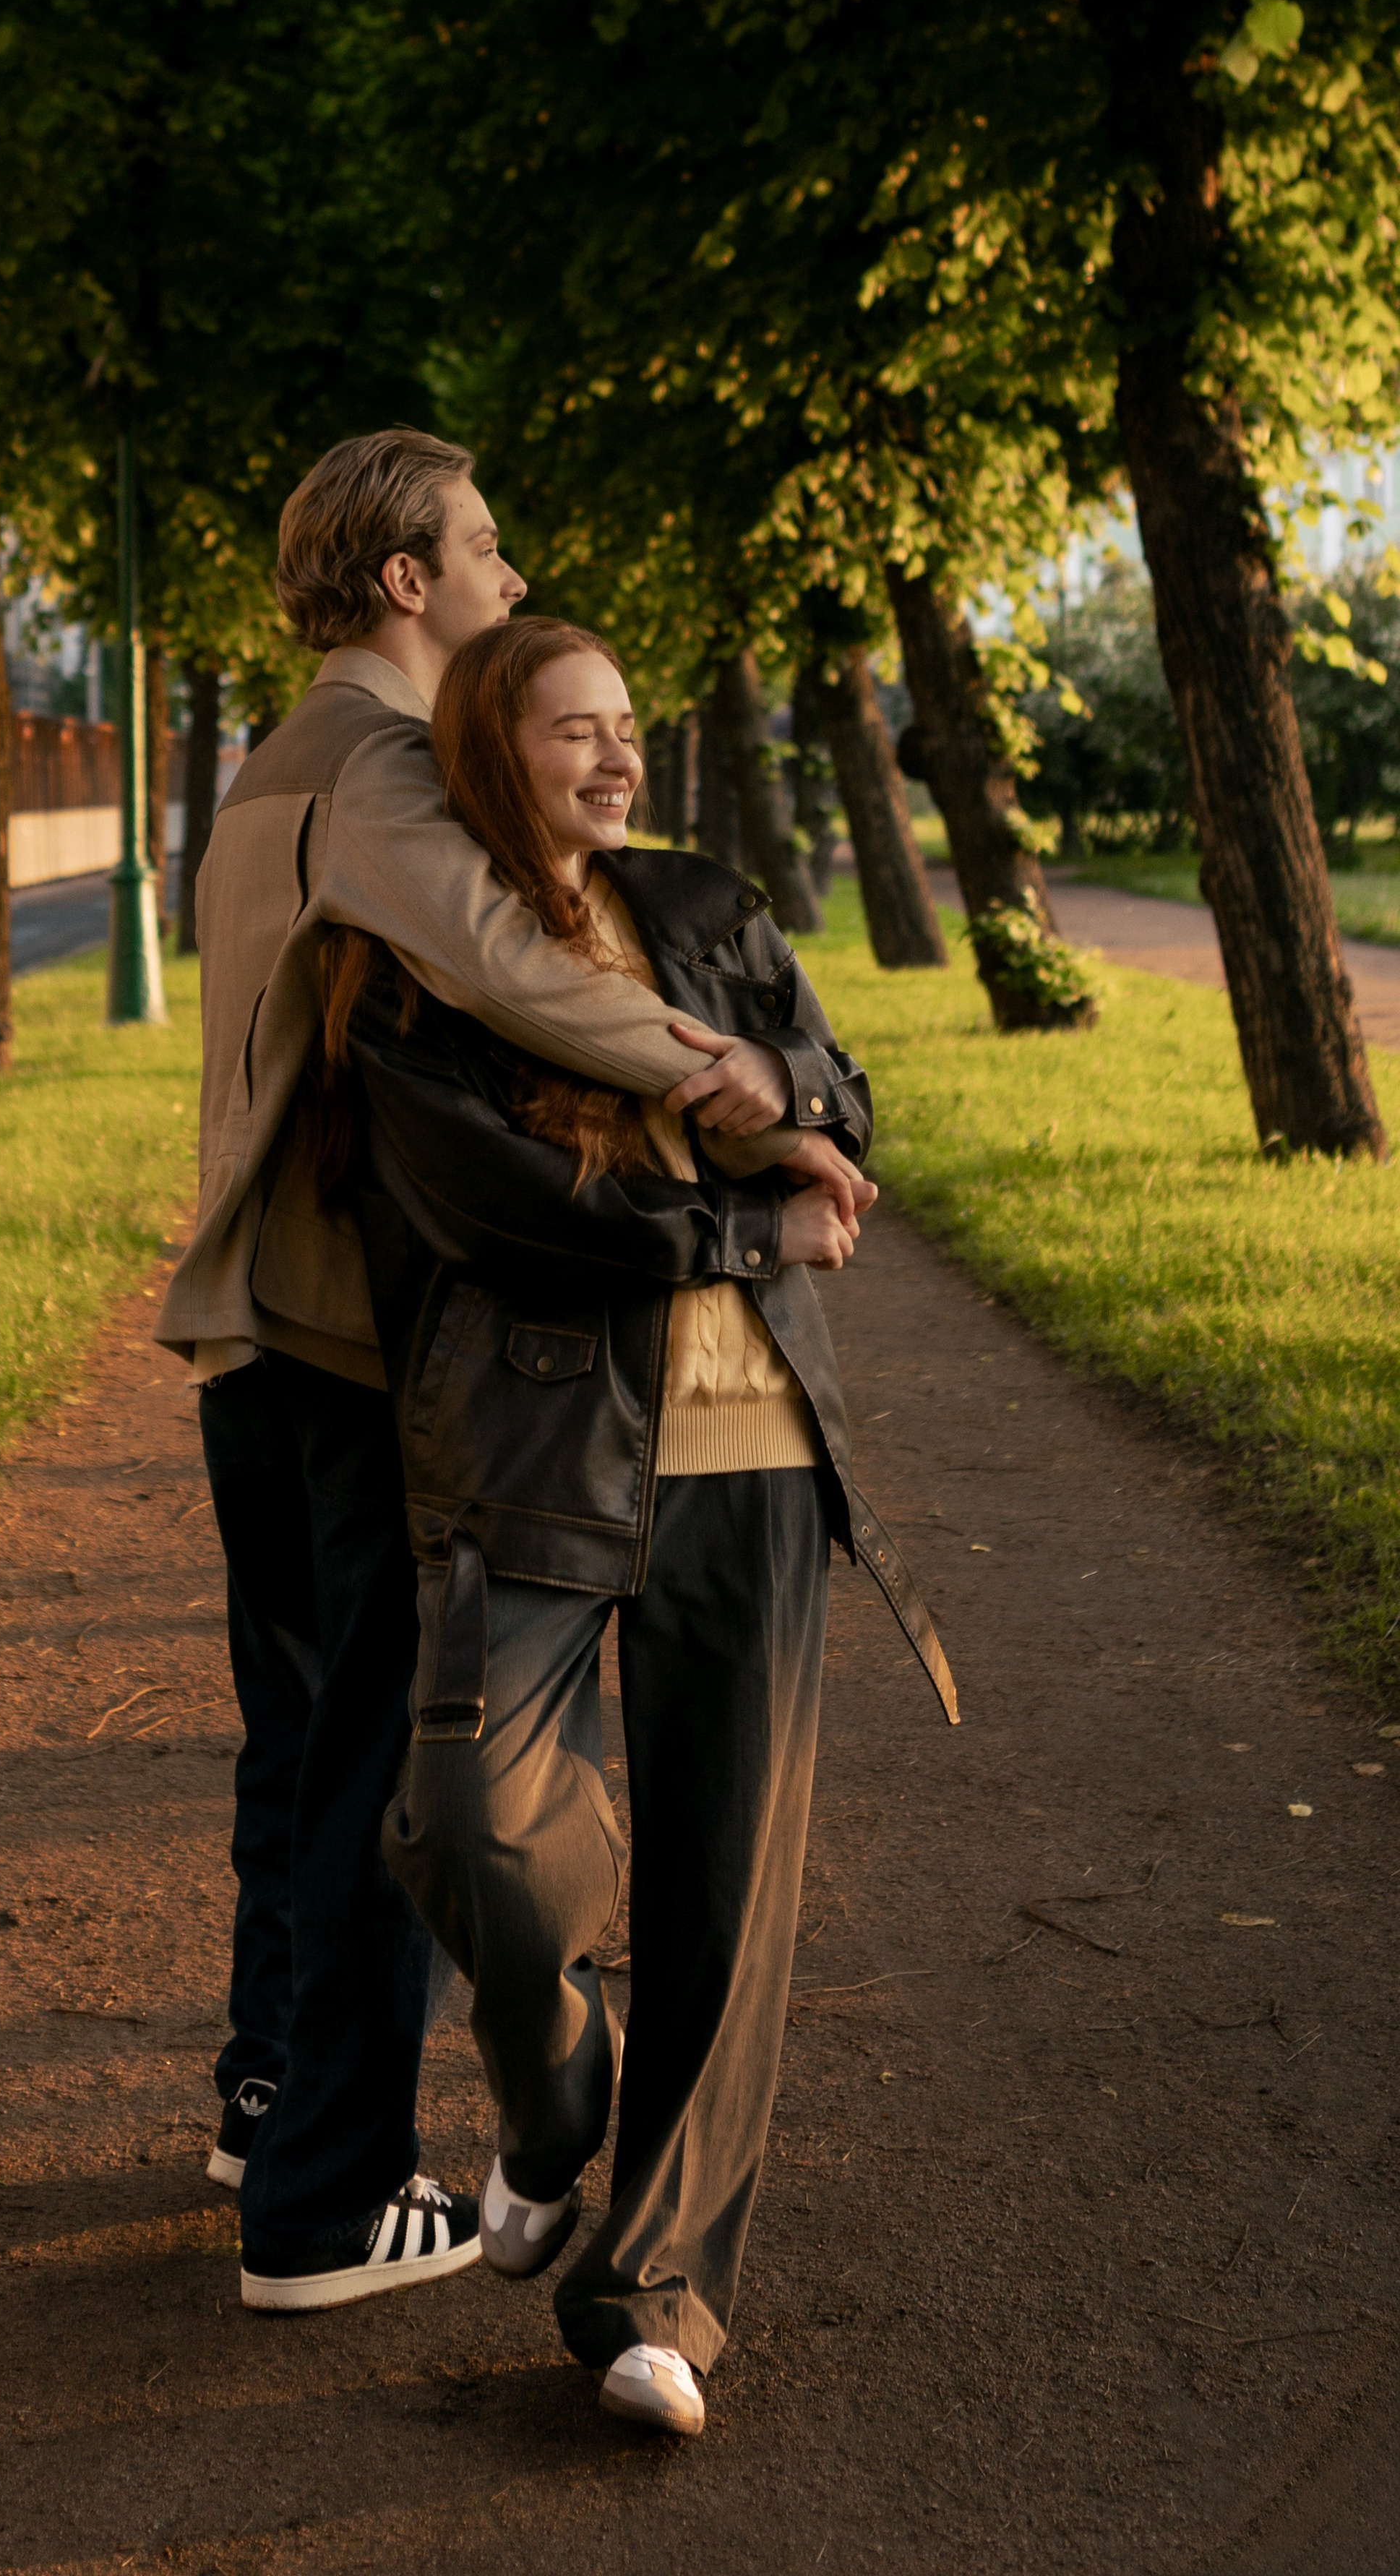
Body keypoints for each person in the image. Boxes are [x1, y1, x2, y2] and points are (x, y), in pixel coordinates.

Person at [159, 429, 869, 2312]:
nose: (500, 565)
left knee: (304, 1742)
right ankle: (324, 2191)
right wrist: (735, 1086)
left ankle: (270, 2101)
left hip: (256, 1326)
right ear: (405, 579)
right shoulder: (385, 760)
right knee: (391, 1767)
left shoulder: (269, 761)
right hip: (339, 1330)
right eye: (480, 545)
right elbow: (508, 969)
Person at [317, 615, 954, 2432]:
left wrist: (789, 1097)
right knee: (474, 1835)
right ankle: (547, 2095)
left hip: (751, 1445)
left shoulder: (702, 906)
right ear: (482, 754)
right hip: (525, 1445)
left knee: (725, 1874)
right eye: (566, 732)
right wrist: (746, 1224)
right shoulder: (424, 957)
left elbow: (838, 1105)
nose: (611, 759)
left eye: (622, 727)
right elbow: (494, 1204)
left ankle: (655, 2291)